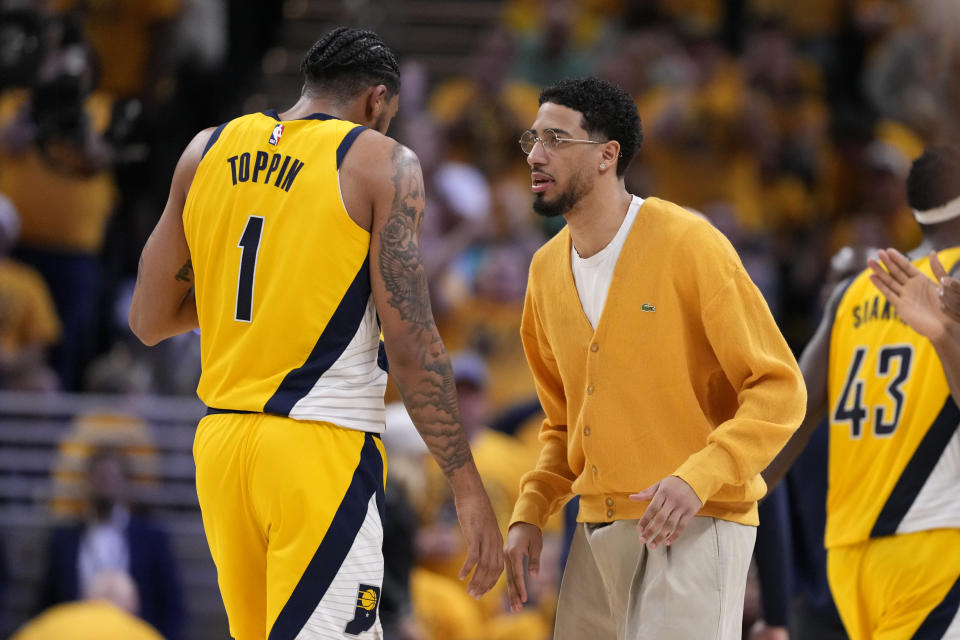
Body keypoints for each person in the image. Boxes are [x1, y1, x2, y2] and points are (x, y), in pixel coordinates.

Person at [128, 27, 503, 640]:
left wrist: (274, 292)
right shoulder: (383, 162)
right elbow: (412, 343)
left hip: (223, 448)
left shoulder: (206, 150)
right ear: (377, 101)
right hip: (319, 445)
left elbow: (147, 320)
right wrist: (465, 485)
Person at [502, 76, 806, 640]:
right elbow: (563, 423)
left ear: (606, 156)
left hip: (697, 517)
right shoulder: (544, 271)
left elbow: (779, 388)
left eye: (556, 139)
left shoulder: (688, 243)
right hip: (596, 529)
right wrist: (532, 508)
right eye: (532, 139)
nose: (536, 155)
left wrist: (699, 478)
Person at [764, 146, 960, 640]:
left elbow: (791, 417)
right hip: (936, 546)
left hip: (850, 559)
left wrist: (721, 503)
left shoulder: (855, 291)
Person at [37, 447, 183, 640]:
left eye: (112, 477)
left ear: (126, 484)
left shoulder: (152, 539)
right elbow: (47, 603)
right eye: (99, 478)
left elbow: (171, 607)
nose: (105, 485)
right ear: (86, 483)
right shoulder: (63, 539)